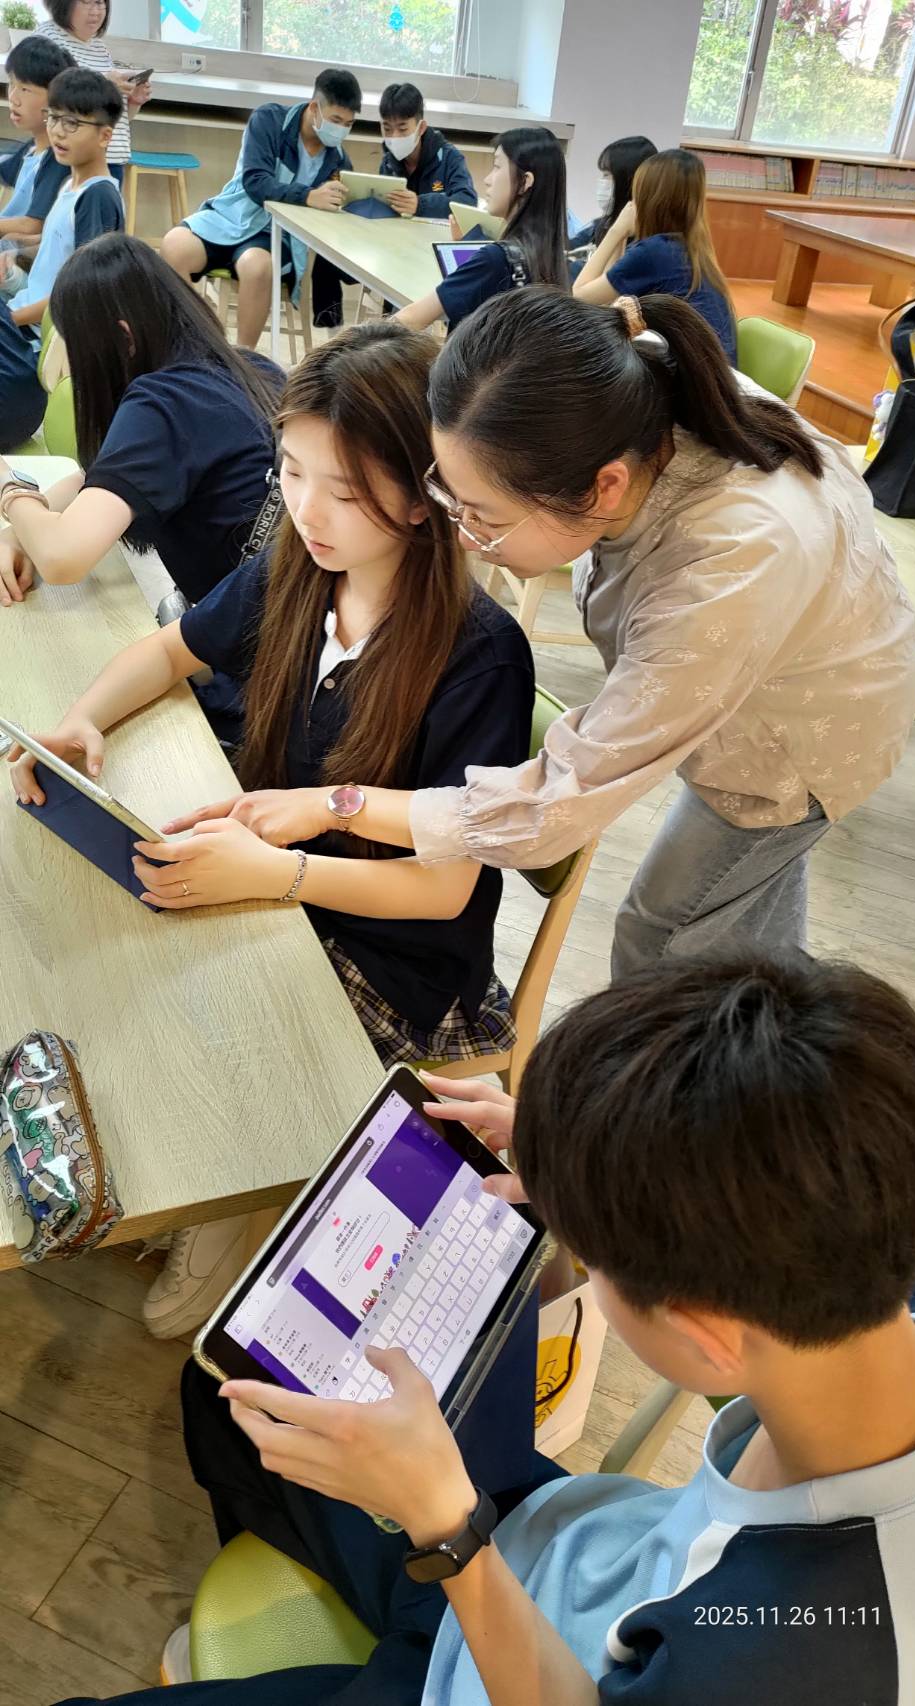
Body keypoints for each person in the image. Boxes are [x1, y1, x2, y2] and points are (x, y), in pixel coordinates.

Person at [56, 953, 915, 1705]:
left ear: (708, 1337)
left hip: (499, 1641)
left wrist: (448, 1532)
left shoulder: (782, 1655)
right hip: (553, 1540)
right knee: (234, 1390)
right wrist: (588, 1150)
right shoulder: (896, 1223)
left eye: (591, 1254)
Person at [8, 319, 534, 1337]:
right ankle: (203, 1167)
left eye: (345, 489)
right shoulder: (299, 568)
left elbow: (445, 891)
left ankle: (238, 1197)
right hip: (281, 881)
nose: (307, 509)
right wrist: (83, 717)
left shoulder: (480, 653)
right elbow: (171, 650)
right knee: (117, 943)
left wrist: (273, 876)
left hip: (394, 952)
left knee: (187, 992)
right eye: (292, 473)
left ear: (423, 494)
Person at [247, 285, 915, 976]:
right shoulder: (620, 385)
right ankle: (782, 1012)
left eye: (485, 516)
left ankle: (751, 1034)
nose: (465, 538)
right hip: (785, 645)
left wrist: (340, 805)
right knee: (746, 919)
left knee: (665, 942)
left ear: (604, 487)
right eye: (448, 496)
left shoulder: (726, 569)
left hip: (806, 733)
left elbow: (553, 808)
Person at [0, 234, 282, 610]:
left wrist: (10, 490)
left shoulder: (163, 403)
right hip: (295, 617)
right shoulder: (253, 369)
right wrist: (21, 533)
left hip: (250, 634)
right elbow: (99, 479)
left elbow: (61, 559)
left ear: (124, 338)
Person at [160, 68, 363, 346]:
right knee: (174, 245)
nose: (340, 130)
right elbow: (256, 181)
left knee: (257, 267)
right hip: (230, 216)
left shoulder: (337, 160)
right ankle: (193, 344)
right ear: (314, 107)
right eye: (335, 120)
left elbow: (335, 214)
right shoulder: (269, 120)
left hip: (275, 235)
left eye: (348, 124)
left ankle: (244, 358)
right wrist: (308, 196)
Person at [0, 67, 123, 452]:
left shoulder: (98, 197)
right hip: (23, 318)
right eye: (53, 118)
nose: (57, 132)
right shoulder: (73, 184)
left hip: (37, 340)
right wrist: (17, 257)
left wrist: (13, 318)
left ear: (105, 135)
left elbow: (83, 294)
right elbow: (59, 248)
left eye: (72, 123)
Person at [396, 127, 568, 334]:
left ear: (525, 182)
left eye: (497, 167)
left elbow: (411, 319)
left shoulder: (496, 259)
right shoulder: (554, 258)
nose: (487, 179)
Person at [574, 148, 737, 362]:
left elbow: (581, 296)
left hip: (692, 375)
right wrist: (622, 236)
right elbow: (610, 297)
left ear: (649, 198)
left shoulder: (656, 252)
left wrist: (616, 231)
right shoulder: (687, 247)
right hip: (713, 370)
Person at [36, 0, 152, 184]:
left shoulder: (99, 48)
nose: (95, 11)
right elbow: (48, 99)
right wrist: (104, 83)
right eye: (87, 2)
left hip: (111, 159)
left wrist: (133, 102)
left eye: (100, 2)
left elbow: (110, 118)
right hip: (70, 160)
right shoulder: (48, 37)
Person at [0, 33, 76, 281]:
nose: (13, 97)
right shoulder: (32, 148)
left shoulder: (56, 158)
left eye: (25, 89)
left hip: (23, 266)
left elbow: (34, 224)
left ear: (56, 99)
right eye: (11, 84)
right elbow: (4, 170)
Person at [376, 81, 477, 219]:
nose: (394, 137)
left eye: (403, 129)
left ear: (421, 128)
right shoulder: (388, 162)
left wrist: (421, 205)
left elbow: (468, 201)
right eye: (387, 129)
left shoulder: (449, 157)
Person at [566, 133, 658, 252]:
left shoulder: (647, 244)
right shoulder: (601, 226)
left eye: (606, 175)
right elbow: (565, 249)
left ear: (628, 181)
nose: (601, 181)